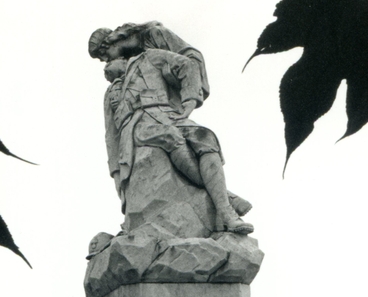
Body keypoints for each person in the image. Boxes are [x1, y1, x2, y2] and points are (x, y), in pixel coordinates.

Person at [88, 23, 253, 235]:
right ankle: (226, 203)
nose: (105, 64)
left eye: (105, 57)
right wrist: (117, 173)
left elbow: (187, 65)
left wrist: (189, 101)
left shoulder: (150, 58)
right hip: (139, 126)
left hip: (169, 115)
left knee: (206, 137)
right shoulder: (112, 92)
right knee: (172, 138)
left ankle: (226, 212)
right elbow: (111, 136)